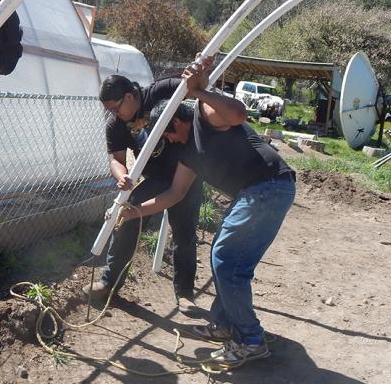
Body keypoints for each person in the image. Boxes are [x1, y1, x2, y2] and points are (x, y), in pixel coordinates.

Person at [116, 57, 296, 365]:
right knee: (226, 258)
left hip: (267, 186)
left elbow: (237, 113)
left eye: (167, 135)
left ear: (176, 122)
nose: (169, 142)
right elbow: (174, 194)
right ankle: (226, 325)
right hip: (256, 193)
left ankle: (250, 339)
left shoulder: (204, 116)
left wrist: (200, 91)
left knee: (226, 261)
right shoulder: (187, 155)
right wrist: (135, 212)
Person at [86, 74, 203, 314]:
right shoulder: (116, 125)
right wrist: (121, 176)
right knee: (127, 219)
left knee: (184, 233)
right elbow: (115, 160)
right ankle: (110, 282)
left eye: (116, 108)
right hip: (155, 178)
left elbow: (195, 86)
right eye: (109, 111)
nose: (114, 114)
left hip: (187, 173)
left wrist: (198, 72)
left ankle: (184, 294)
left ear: (129, 96)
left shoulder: (159, 92)